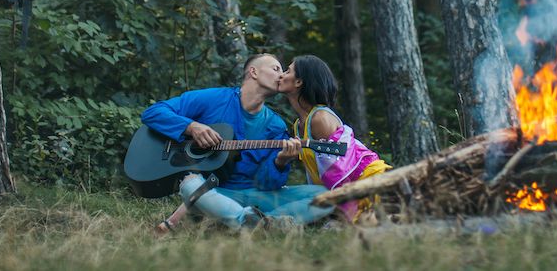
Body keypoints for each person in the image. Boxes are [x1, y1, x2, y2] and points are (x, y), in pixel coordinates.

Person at [140, 53, 334, 231]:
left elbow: (268, 184)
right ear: (254, 71)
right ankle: (249, 222)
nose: (282, 75)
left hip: (256, 195)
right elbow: (153, 112)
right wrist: (191, 127)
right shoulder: (213, 98)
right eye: (276, 69)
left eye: (284, 71)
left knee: (327, 194)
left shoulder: (275, 125)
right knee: (190, 184)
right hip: (214, 193)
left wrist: (280, 162)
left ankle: (260, 223)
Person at [278, 54, 391, 221]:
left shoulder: (320, 119)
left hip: (367, 183)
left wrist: (339, 214)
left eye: (287, 71)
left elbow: (339, 172)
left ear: (298, 82)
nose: (281, 75)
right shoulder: (298, 124)